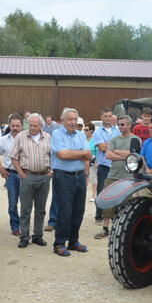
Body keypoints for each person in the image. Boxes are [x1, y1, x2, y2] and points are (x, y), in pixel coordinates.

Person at [50, 107, 91, 257]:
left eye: (75, 119)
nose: (73, 122)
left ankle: (74, 242)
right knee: (65, 211)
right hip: (63, 177)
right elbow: (62, 154)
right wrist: (81, 154)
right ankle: (59, 243)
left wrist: (75, 154)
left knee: (78, 211)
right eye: (70, 119)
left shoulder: (80, 135)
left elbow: (89, 156)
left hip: (79, 176)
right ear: (62, 121)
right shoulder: (56, 133)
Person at [95, 115, 141, 239]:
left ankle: (125, 231)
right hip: (113, 175)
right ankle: (105, 229)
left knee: (127, 204)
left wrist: (117, 152)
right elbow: (108, 155)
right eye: (119, 124)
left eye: (123, 124)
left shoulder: (136, 139)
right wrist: (126, 156)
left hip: (130, 177)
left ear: (130, 125)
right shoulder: (114, 139)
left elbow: (135, 154)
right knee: (108, 204)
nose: (120, 126)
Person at [10, 113, 52, 248]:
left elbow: (54, 156)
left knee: (40, 209)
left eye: (35, 125)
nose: (32, 128)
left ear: (41, 126)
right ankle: (24, 237)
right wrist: (21, 173)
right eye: (31, 125)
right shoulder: (20, 137)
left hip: (44, 177)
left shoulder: (48, 138)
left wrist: (51, 172)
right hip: (27, 177)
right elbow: (13, 157)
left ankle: (38, 236)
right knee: (25, 209)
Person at [0, 114, 23, 236]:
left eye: (17, 125)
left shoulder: (27, 139)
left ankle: (24, 227)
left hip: (26, 175)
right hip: (11, 175)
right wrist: (1, 169)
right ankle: (15, 227)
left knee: (26, 204)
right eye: (13, 125)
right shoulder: (3, 140)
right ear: (9, 125)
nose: (15, 128)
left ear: (22, 126)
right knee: (12, 203)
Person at [92, 107, 119, 222]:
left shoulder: (117, 130)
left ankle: (113, 215)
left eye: (110, 116)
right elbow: (102, 148)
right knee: (102, 190)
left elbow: (121, 145)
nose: (108, 118)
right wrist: (115, 146)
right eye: (105, 116)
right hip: (104, 165)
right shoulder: (98, 132)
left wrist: (109, 146)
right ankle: (99, 215)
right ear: (101, 117)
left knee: (116, 191)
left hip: (116, 165)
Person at [86, 123, 98, 201]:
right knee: (85, 177)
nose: (84, 131)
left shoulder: (95, 140)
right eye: (84, 130)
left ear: (91, 131)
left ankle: (94, 194)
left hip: (93, 159)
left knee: (93, 177)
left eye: (86, 130)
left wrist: (97, 161)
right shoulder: (83, 139)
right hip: (84, 159)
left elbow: (98, 151)